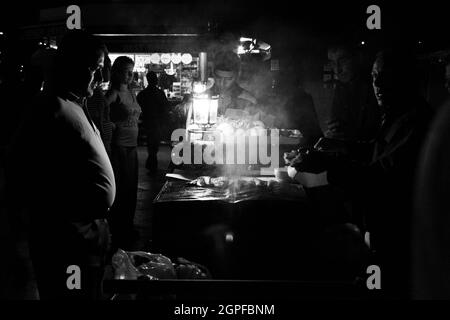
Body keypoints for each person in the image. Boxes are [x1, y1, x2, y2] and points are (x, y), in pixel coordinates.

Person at [287, 49, 434, 298]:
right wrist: (339, 147)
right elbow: (376, 152)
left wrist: (327, 163)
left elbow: (381, 178)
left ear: (409, 80)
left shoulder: (416, 122)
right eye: (375, 76)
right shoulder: (397, 116)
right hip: (381, 234)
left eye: (387, 77)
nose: (378, 84)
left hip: (401, 241)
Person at [6, 30, 115, 299]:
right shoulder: (49, 108)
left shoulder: (75, 104)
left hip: (87, 241)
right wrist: (70, 216)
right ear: (72, 66)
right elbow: (20, 173)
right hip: (67, 245)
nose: (100, 79)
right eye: (94, 69)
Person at [105, 56, 141, 249]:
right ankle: (119, 227)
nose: (130, 75)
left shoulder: (132, 93)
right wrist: (110, 124)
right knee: (121, 188)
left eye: (132, 71)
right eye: (127, 71)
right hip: (119, 145)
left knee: (131, 188)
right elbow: (101, 111)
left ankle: (128, 224)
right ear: (117, 72)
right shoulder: (113, 93)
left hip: (132, 146)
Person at [325, 43, 380, 142]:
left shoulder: (376, 86)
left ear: (358, 58)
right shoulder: (341, 87)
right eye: (333, 63)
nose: (337, 69)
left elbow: (380, 135)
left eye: (342, 61)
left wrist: (351, 135)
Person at [137, 71, 170, 175]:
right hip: (157, 122)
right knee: (153, 144)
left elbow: (138, 106)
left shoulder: (143, 94)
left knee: (152, 143)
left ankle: (151, 163)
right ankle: (152, 164)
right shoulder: (159, 93)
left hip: (148, 121)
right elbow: (166, 107)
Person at [211, 51, 257, 116]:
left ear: (237, 76)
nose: (222, 83)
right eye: (218, 78)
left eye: (228, 79)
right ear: (213, 74)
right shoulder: (202, 97)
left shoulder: (248, 100)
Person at [86, 50, 113, 156]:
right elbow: (98, 121)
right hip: (100, 145)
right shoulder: (93, 94)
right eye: (95, 68)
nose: (101, 77)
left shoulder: (95, 92)